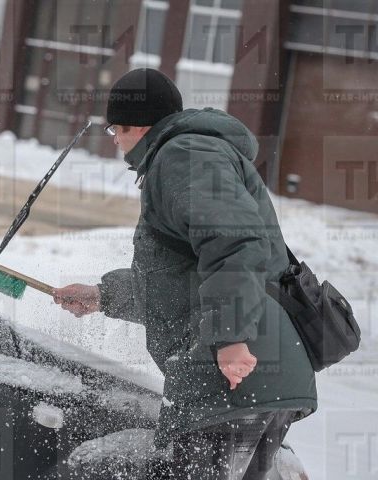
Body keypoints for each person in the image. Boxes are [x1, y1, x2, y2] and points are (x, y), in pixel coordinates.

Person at [52, 68, 317, 479]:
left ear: (135, 127)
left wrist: (230, 336)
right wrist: (103, 295)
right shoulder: (187, 156)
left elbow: (236, 242)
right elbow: (177, 281)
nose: (116, 143)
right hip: (251, 378)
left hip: (230, 378)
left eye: (115, 131)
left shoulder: (182, 155)